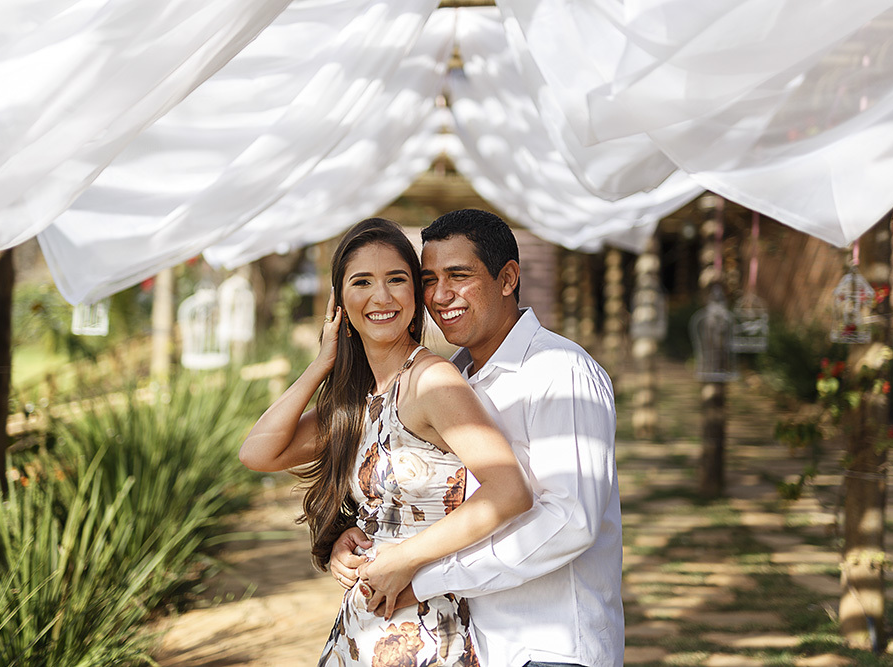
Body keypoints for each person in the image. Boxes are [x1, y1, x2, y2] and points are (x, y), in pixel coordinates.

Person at [331, 209, 624, 667]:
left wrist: (423, 576)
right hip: (476, 644)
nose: (440, 295)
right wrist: (363, 542)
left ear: (507, 279)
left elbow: (570, 520)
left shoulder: (558, 371)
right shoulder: (454, 378)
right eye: (429, 280)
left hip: (550, 645)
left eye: (459, 276)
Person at [238, 217, 532, 666]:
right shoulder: (360, 401)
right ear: (339, 302)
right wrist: (322, 362)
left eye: (396, 279)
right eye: (362, 282)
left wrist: (404, 558)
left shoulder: (432, 381)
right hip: (361, 630)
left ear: (414, 293)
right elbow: (257, 452)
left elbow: (509, 491)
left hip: (422, 632)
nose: (381, 297)